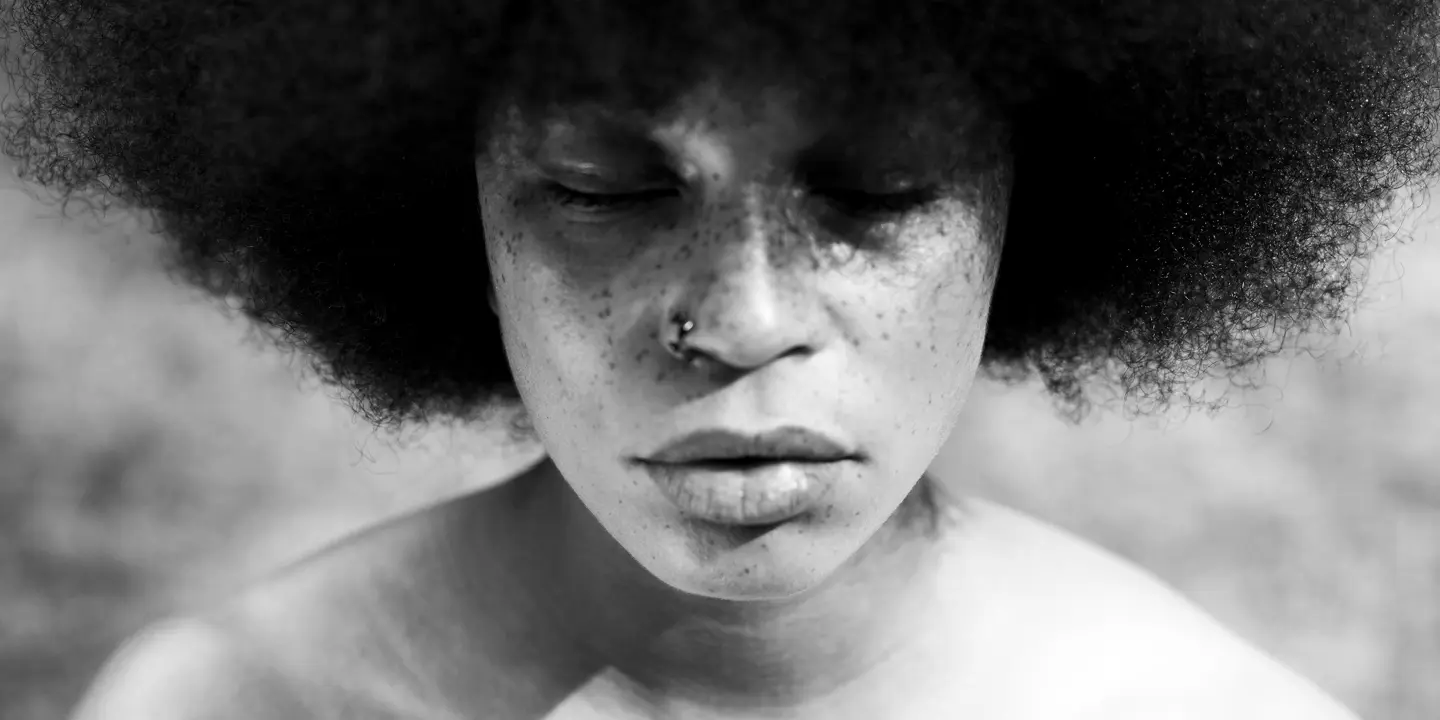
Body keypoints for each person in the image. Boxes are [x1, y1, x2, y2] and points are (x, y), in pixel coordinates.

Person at [4, 0, 1438, 717]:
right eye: (606, 191)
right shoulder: (231, 707)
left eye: (876, 196)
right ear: (435, 198)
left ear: (1037, 202)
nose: (747, 323)